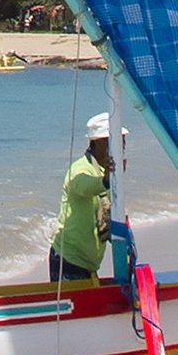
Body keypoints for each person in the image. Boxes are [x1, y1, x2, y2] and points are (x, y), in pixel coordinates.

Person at [48, 115, 112, 283]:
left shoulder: (104, 171)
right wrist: (107, 180)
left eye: (123, 141)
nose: (123, 146)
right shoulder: (80, 169)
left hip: (88, 264)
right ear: (99, 143)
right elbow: (84, 187)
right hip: (69, 260)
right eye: (117, 141)